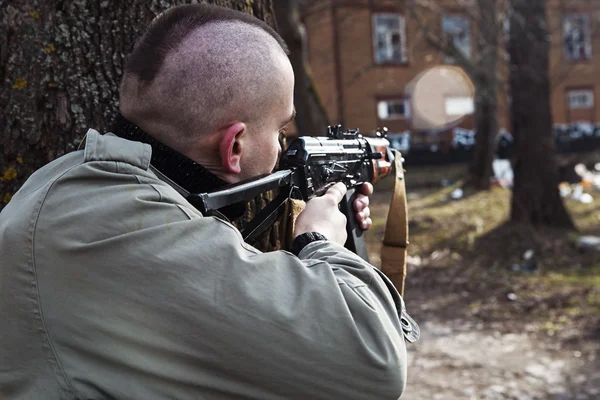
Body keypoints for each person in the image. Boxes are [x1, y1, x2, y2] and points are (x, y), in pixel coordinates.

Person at [0, 3, 418, 399]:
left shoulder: (67, 185)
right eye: (280, 130)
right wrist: (320, 243)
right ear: (233, 146)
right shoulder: (132, 233)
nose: (281, 148)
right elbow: (373, 364)